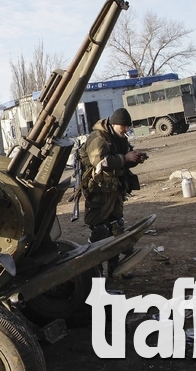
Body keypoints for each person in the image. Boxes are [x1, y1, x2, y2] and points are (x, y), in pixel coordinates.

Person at [78, 108, 147, 278]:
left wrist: (134, 158)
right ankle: (95, 274)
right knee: (100, 231)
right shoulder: (99, 138)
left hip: (114, 190)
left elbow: (123, 159)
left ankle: (115, 271)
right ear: (113, 124)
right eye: (123, 127)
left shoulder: (119, 137)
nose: (126, 130)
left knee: (116, 228)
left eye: (127, 127)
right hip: (99, 192)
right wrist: (126, 158)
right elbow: (101, 163)